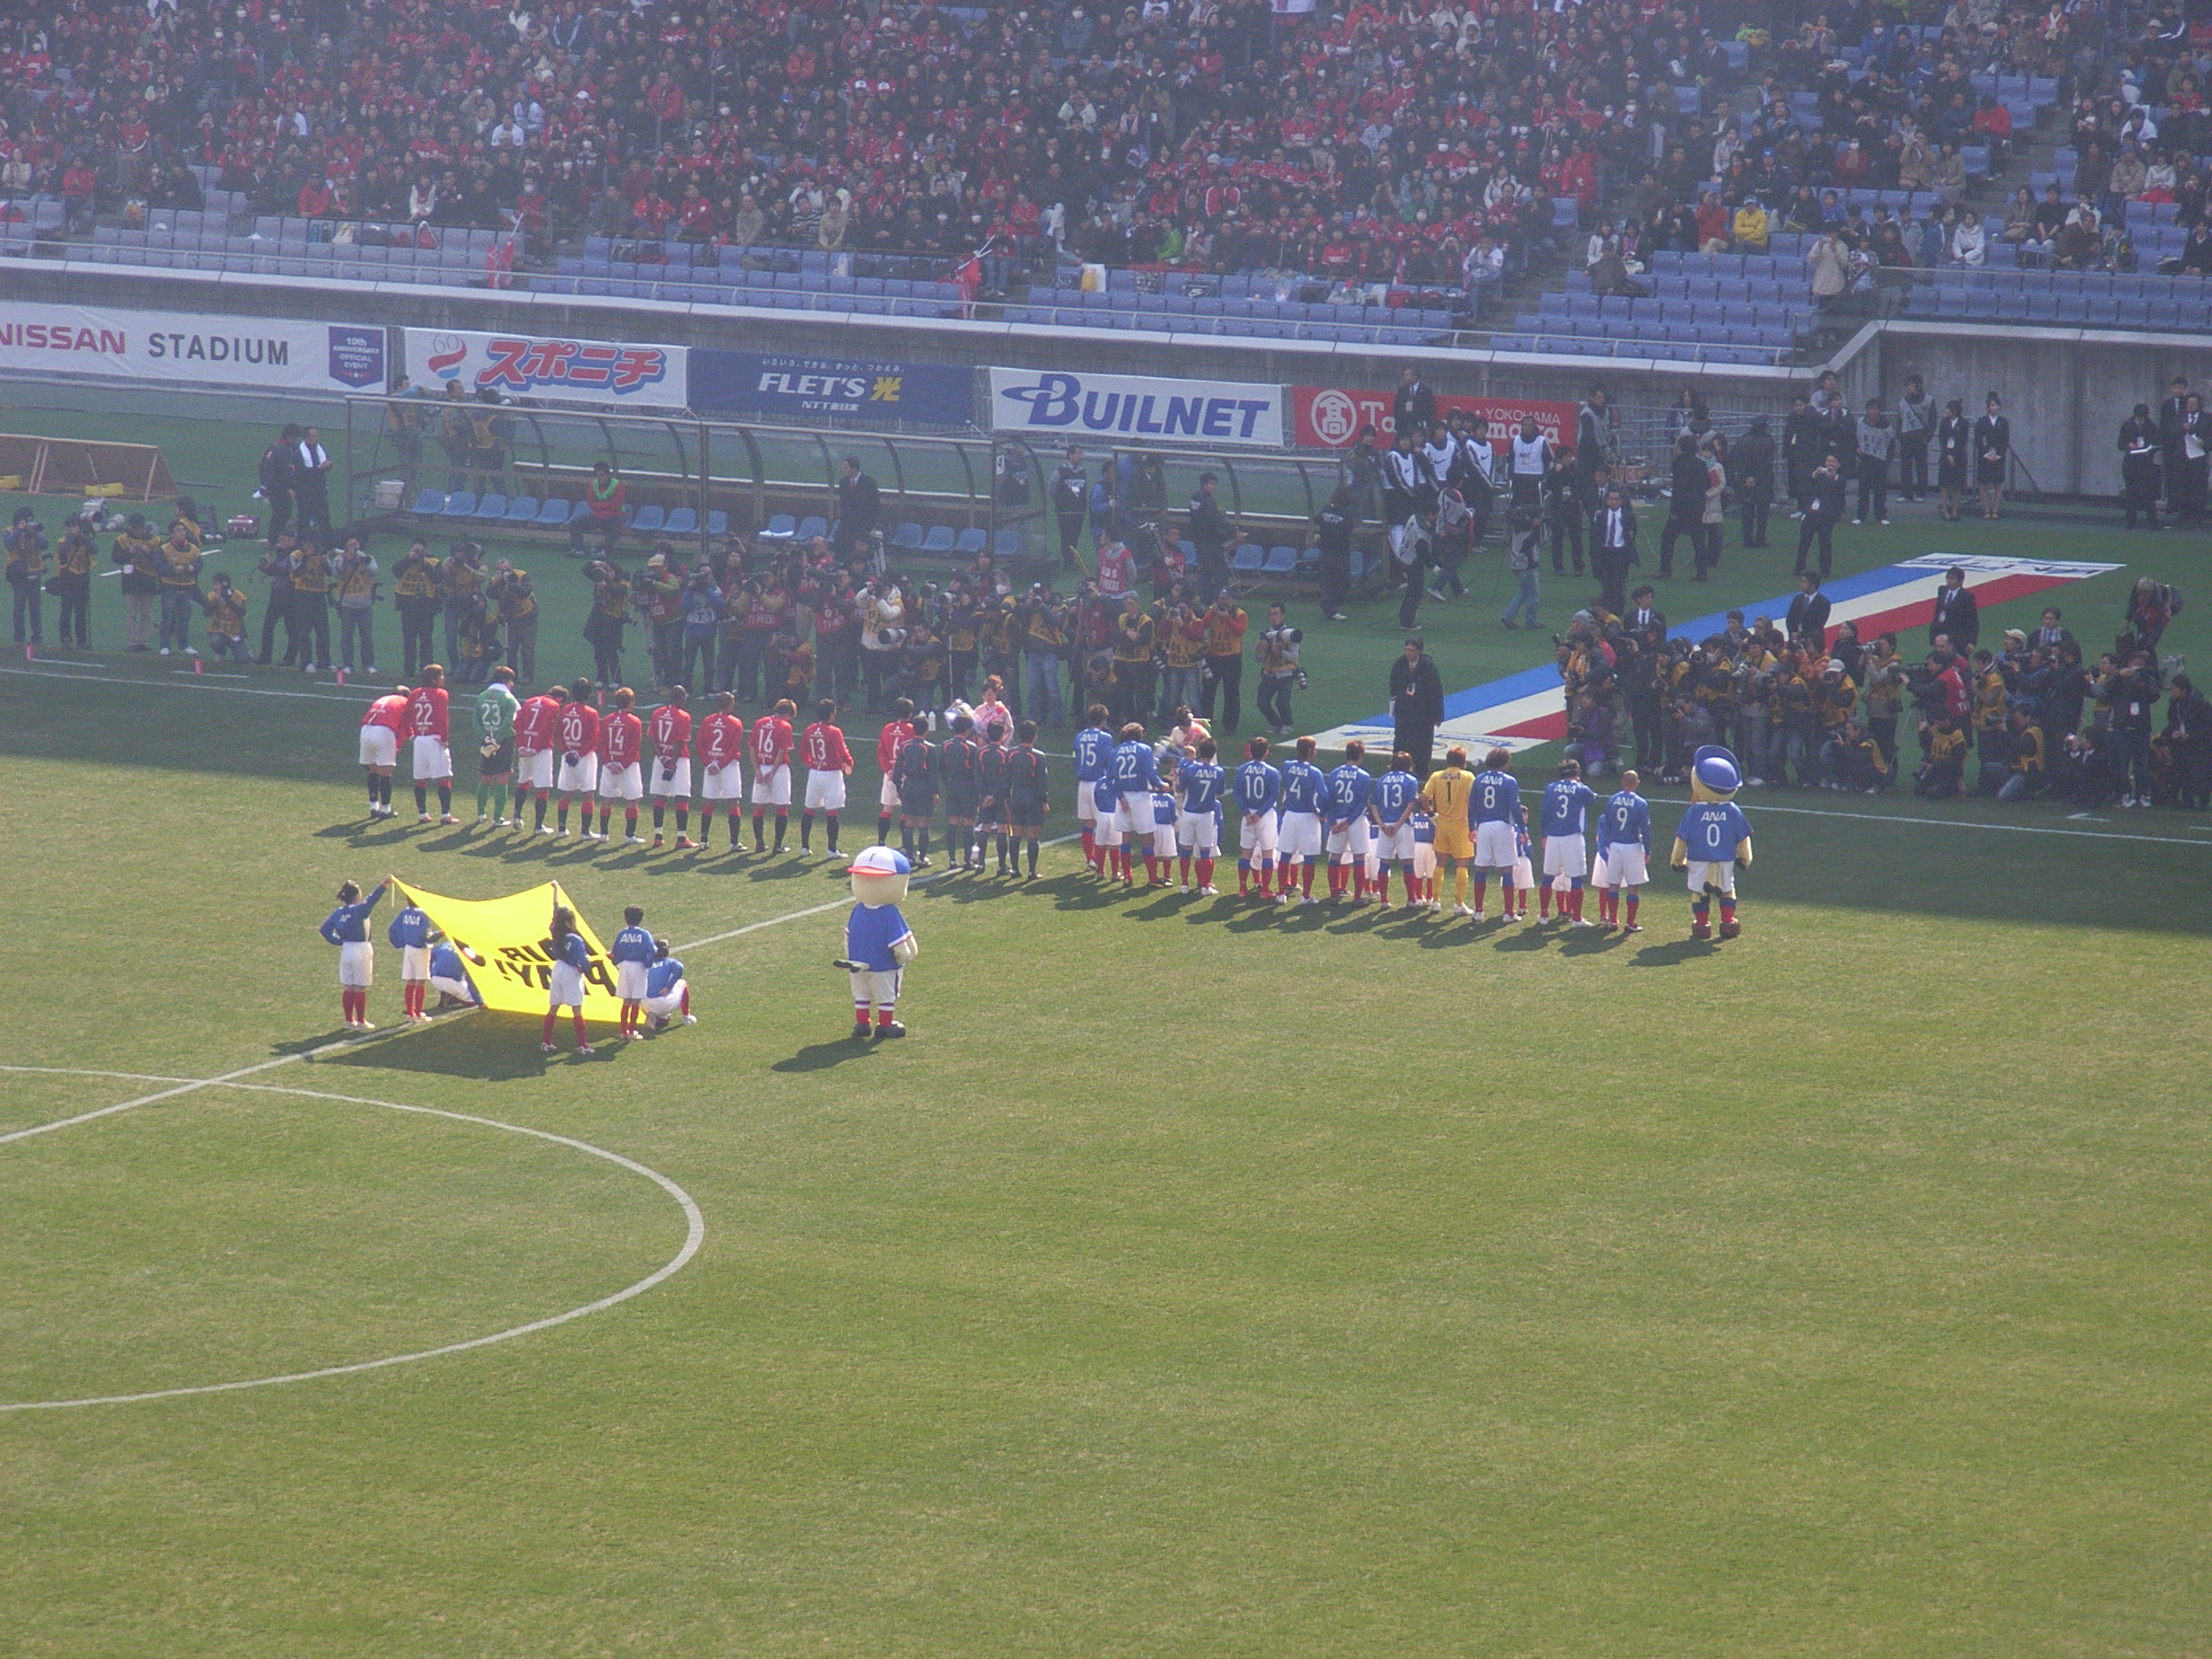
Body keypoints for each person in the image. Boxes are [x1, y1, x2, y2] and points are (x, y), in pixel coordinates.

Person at [1670, 746, 1752, 940]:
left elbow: (1682, 838)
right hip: (1725, 857)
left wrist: (1676, 859)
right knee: (1727, 890)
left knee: (1699, 893)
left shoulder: (1694, 811)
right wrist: (1746, 858)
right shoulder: (1732, 810)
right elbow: (1743, 838)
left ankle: (1701, 925)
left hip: (1698, 858)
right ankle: (1727, 921)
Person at [844, 845, 918, 1040]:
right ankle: (885, 1025)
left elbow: (848, 936)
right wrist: (904, 957)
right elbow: (901, 944)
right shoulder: (889, 913)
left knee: (861, 994)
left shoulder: (858, 909)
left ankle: (862, 1024)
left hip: (856, 963)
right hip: (882, 965)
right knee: (886, 996)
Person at [320, 877, 389, 1030]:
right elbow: (371, 901)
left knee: (349, 986)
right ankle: (361, 1021)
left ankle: (349, 1020)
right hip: (361, 949)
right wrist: (383, 886)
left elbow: (325, 930)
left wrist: (338, 941)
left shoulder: (339, 912)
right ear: (356, 896)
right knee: (360, 987)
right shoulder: (358, 910)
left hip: (347, 950)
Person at [1419, 745, 1478, 916]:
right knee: (1462, 864)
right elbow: (1473, 798)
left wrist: (1431, 812)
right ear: (1463, 761)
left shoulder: (1437, 776)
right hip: (1461, 824)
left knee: (1440, 862)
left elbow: (1424, 797)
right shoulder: (1468, 776)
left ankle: (1436, 901)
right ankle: (1458, 904)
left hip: (1443, 823)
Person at [1537, 757, 1598, 925]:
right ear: (1577, 772)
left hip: (1553, 837)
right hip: (1572, 837)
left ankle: (1543, 915)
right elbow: (1593, 799)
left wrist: (1544, 835)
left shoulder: (1551, 788)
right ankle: (1577, 918)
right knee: (1576, 878)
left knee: (1548, 876)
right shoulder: (1581, 789)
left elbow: (1544, 813)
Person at [1464, 747, 1522, 921]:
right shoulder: (1509, 781)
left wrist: (1471, 828)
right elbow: (1514, 806)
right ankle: (1509, 912)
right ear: (1504, 763)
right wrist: (1523, 828)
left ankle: (1479, 911)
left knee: (1481, 868)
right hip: (1502, 826)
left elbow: (1472, 806)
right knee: (1506, 869)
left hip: (1483, 827)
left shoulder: (1479, 779)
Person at [1594, 770, 1651, 930]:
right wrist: (1648, 850)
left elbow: (1607, 822)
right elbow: (1645, 829)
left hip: (1615, 846)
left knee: (1613, 884)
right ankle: (1630, 923)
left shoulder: (1612, 800)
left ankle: (1613, 920)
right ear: (1637, 783)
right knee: (1633, 886)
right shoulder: (1640, 803)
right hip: (1632, 845)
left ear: (1622, 782)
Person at [1274, 734, 1328, 904]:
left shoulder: (1287, 766)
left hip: (1290, 814)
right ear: (1311, 751)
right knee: (1309, 857)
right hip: (1307, 817)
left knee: (1285, 855)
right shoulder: (1314, 772)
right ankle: (1306, 896)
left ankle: (1281, 893)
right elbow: (1324, 796)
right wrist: (1322, 813)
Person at [1322, 739, 1375, 903]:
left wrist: (1332, 822)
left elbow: (1329, 799)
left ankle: (1333, 895)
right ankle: (1358, 897)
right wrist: (1350, 821)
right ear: (1360, 755)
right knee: (1359, 858)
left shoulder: (1335, 773)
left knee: (1335, 857)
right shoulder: (1364, 776)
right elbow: (1361, 803)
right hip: (1356, 821)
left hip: (1337, 819)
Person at [591, 686, 646, 843]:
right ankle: (629, 835)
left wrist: (609, 762)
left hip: (610, 765)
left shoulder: (607, 719)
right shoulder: (634, 721)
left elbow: (601, 743)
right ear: (630, 703)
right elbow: (634, 746)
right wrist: (623, 764)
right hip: (628, 767)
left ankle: (604, 834)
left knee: (607, 799)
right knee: (633, 800)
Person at [1173, 737, 1227, 895]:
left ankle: (1184, 885)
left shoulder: (1190, 769)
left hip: (1189, 812)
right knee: (1205, 852)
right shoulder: (1218, 771)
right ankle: (1205, 885)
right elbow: (1220, 793)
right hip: (1206, 814)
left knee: (1186, 850)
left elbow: (1181, 788)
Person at [540, 904, 595, 1057]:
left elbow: (555, 913)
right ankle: (583, 1045)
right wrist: (584, 968)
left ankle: (546, 1042)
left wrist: (556, 891)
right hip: (571, 973)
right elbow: (584, 961)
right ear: (568, 923)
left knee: (553, 1007)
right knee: (577, 1010)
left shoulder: (555, 933)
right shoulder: (575, 939)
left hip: (558, 970)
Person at [551, 676, 602, 836]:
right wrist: (579, 753)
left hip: (568, 757)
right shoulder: (592, 713)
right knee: (588, 794)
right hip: (584, 757)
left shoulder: (565, 709)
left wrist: (567, 752)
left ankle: (561, 829)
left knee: (567, 792)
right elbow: (593, 738)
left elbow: (558, 734)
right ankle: (585, 831)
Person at [1232, 735, 1282, 898]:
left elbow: (1237, 793)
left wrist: (1247, 813)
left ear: (1251, 752)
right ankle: (1265, 890)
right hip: (1265, 815)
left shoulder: (1242, 769)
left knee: (1245, 853)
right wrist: (1259, 814)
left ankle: (1242, 889)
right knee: (1268, 853)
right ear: (1266, 752)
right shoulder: (1272, 772)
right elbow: (1273, 796)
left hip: (1248, 815)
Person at [1368, 753, 1420, 909]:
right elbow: (1411, 804)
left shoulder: (1382, 780)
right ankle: (1411, 899)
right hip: (1403, 826)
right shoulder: (1411, 780)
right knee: (1408, 864)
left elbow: (1373, 805)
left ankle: (1384, 900)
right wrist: (1398, 824)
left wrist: (1381, 824)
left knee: (1384, 864)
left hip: (1385, 826)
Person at [698, 690, 748, 851]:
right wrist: (720, 765)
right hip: (728, 767)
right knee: (733, 801)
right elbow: (734, 748)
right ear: (730, 704)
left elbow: (700, 744)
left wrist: (709, 763)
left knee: (710, 801)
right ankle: (734, 842)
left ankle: (704, 840)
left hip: (711, 765)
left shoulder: (707, 721)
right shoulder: (736, 723)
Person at [646, 686, 695, 848]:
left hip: (660, 760)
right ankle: (681, 839)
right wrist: (672, 763)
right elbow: (680, 742)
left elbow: (651, 737)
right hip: (678, 760)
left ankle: (658, 837)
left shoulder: (657, 713)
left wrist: (662, 758)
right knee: (681, 797)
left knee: (660, 797)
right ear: (681, 699)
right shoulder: (683, 716)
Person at [407, 665, 456, 824]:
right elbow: (443, 717)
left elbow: (406, 716)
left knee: (421, 778)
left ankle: (423, 815)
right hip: (435, 739)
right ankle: (445, 815)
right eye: (441, 676)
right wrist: (445, 738)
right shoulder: (441, 694)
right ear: (434, 679)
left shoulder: (414, 693)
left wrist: (411, 735)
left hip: (420, 739)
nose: (443, 679)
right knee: (444, 777)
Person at [1390, 637, 1445, 777]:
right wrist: (1395, 706)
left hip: (1423, 714)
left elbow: (1436, 691)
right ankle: (1398, 769)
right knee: (1401, 742)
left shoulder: (1428, 667)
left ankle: (1421, 773)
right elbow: (1394, 686)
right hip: (1404, 712)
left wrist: (1438, 715)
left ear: (1420, 651)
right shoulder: (1400, 664)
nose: (1409, 653)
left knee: (1422, 745)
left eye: (1412, 650)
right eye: (1407, 650)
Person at [473, 665, 520, 826]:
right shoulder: (509, 699)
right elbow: (509, 721)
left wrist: (487, 738)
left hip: (486, 740)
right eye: (511, 681)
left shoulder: (482, 696)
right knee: (502, 777)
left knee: (485, 777)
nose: (512, 684)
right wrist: (498, 739)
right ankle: (497, 818)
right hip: (504, 741)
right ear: (506, 680)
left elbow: (475, 721)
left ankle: (480, 814)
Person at [515, 682, 562, 834]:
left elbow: (518, 722)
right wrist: (536, 748)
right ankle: (538, 826)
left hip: (525, 746)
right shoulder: (553, 706)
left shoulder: (530, 701)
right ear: (560, 698)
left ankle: (517, 816)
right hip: (540, 750)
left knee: (523, 781)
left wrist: (522, 745)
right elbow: (547, 729)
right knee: (542, 787)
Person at [749, 697, 796, 853]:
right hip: (778, 769)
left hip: (761, 766)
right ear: (787, 713)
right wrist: (773, 772)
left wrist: (757, 770)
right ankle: (778, 845)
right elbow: (782, 751)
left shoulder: (759, 722)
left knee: (759, 807)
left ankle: (759, 843)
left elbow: (752, 748)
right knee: (781, 807)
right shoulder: (785, 726)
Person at [892, 715, 939, 867]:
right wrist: (935, 792)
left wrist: (899, 788)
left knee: (909, 823)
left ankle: (910, 857)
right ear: (927, 730)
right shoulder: (930, 748)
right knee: (924, 824)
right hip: (924, 787)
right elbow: (933, 773)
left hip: (909, 786)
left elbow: (897, 771)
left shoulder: (905, 746)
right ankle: (922, 857)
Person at [357, 684, 411, 819]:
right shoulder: (405, 703)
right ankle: (386, 809)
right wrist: (397, 747)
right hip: (384, 731)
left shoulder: (382, 699)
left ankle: (373, 806)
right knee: (386, 772)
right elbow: (405, 727)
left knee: (373, 769)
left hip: (366, 729)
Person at [387, 892, 439, 1024]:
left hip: (409, 949)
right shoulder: (423, 914)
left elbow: (392, 929)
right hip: (421, 950)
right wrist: (441, 933)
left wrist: (399, 943)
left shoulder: (405, 913)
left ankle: (410, 1013)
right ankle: (418, 1013)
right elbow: (426, 936)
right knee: (421, 982)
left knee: (410, 981)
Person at [1659, 434, 1706, 578]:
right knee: (1698, 541)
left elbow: (1678, 489)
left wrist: (1674, 510)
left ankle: (1665, 570)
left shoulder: (1679, 464)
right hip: (1697, 507)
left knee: (1668, 538)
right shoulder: (1701, 464)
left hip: (1681, 508)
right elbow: (1707, 484)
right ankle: (1702, 572)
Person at [332, 537, 379, 675]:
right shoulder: (340, 558)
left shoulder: (368, 557)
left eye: (356, 544)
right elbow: (336, 573)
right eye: (350, 544)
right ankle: (348, 664)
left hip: (364, 603)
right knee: (347, 636)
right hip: (347, 603)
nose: (354, 546)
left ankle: (368, 664)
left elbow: (374, 572)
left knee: (366, 636)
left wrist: (363, 561)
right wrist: (347, 560)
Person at [1590, 487, 1639, 616]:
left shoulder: (1628, 516)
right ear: (1607, 501)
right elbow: (1595, 535)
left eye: (1616, 499)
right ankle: (1607, 608)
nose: (1613, 502)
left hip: (1621, 552)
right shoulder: (1601, 516)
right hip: (1605, 552)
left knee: (1619, 582)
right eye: (1611, 499)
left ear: (1621, 501)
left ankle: (1618, 611)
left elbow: (1633, 532)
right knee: (1607, 582)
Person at [1795, 453, 1846, 577]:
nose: (1830, 464)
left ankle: (1825, 571)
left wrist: (1833, 477)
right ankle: (1799, 567)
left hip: (1827, 516)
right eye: (1828, 461)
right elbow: (1807, 487)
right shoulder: (1818, 476)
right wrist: (1815, 475)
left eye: (1833, 462)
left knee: (1825, 543)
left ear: (1838, 465)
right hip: (1812, 513)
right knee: (1804, 542)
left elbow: (1840, 494)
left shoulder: (1840, 479)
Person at [609, 905, 655, 1040]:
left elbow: (615, 952)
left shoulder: (622, 934)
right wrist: (648, 964)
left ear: (625, 919)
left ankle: (623, 1031)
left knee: (626, 1001)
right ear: (641, 919)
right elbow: (651, 951)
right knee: (635, 1001)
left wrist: (615, 961)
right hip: (639, 967)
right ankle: (632, 1031)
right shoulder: (644, 934)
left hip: (625, 967)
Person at [1255, 605, 1302, 735]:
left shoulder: (1290, 635)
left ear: (1283, 616)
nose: (1273, 617)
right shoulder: (1266, 635)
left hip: (1285, 673)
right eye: (1271, 614)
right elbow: (1260, 659)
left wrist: (1280, 652)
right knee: (1262, 702)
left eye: (1276, 614)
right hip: (1269, 673)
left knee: (1282, 703)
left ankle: (1287, 724)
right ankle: (1275, 723)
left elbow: (1294, 657)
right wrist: (1261, 649)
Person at [4, 510, 48, 646]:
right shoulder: (10, 531)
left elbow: (44, 545)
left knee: (35, 608)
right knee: (19, 607)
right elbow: (10, 546)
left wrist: (33, 533)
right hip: (19, 575)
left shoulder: (34, 532)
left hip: (34, 572)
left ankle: (37, 636)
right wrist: (19, 530)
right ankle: (19, 638)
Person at [49, 518, 94, 650]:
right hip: (68, 577)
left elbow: (95, 549)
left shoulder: (84, 542)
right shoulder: (63, 541)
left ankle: (82, 639)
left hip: (83, 578)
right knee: (66, 610)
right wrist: (72, 536)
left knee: (81, 611)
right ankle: (66, 637)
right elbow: (63, 550)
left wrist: (85, 538)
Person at [1313, 485, 1355, 623]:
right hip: (1340, 554)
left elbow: (1316, 520)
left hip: (1325, 552)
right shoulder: (1346, 515)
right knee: (1343, 583)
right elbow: (1351, 528)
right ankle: (1330, 607)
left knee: (1328, 582)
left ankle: (1329, 606)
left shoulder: (1326, 510)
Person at [2120, 405, 2164, 530]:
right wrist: (2129, 445)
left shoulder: (2151, 426)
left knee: (2149, 493)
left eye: (2142, 418)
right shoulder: (2127, 425)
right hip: (2131, 462)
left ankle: (2153, 522)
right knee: (2131, 493)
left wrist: (2149, 450)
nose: (2140, 420)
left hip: (2146, 463)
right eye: (2138, 417)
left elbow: (2158, 443)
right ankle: (2130, 522)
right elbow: (2120, 444)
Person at [1734, 417, 1775, 548]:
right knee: (1763, 512)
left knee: (1747, 510)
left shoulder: (1742, 440)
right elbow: (1768, 463)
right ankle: (1760, 539)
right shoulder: (1769, 441)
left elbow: (1738, 461)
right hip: (1764, 480)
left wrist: (1747, 477)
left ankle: (1747, 539)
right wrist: (1756, 478)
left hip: (1746, 480)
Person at [1853, 398, 1895, 526]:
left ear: (1879, 410)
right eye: (1870, 409)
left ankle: (1881, 516)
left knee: (1880, 490)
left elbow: (1891, 443)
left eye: (1875, 409)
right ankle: (1861, 516)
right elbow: (1854, 439)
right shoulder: (1860, 423)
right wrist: (1857, 450)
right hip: (1865, 459)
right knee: (1863, 490)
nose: (1872, 411)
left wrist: (1888, 461)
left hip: (1880, 460)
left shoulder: (1886, 425)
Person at [1501, 504, 1542, 630]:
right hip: (1527, 566)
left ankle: (1508, 615)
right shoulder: (1528, 533)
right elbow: (1531, 553)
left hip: (1518, 566)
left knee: (1524, 592)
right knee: (1533, 594)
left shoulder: (1518, 531)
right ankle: (1530, 621)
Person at [573, 462, 627, 556]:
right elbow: (591, 503)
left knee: (617, 528)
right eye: (598, 476)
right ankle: (578, 549)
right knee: (575, 523)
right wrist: (605, 506)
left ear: (608, 474)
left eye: (603, 475)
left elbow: (616, 506)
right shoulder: (594, 485)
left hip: (615, 516)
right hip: (598, 515)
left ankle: (605, 551)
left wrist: (600, 506)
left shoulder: (617, 486)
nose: (600, 478)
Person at [258, 425, 298, 546]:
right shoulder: (283, 451)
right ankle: (274, 539)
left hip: (272, 487)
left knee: (279, 513)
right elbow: (285, 473)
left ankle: (273, 538)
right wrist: (291, 487)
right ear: (290, 437)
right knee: (283, 513)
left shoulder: (274, 447)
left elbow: (263, 467)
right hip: (279, 488)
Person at [1050, 445, 1089, 569]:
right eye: (1078, 454)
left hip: (1079, 511)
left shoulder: (1083, 472)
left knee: (1075, 536)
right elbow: (1052, 489)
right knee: (1066, 536)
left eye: (1081, 454)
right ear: (1070, 455)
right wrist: (1061, 502)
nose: (1081, 457)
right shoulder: (1060, 472)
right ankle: (1067, 560)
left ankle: (1072, 559)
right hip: (1065, 511)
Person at [834, 456, 881, 559]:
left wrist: (868, 526)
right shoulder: (843, 482)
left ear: (853, 469)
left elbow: (875, 507)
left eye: (845, 468)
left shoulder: (869, 483)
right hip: (846, 525)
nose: (843, 471)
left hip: (862, 525)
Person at [198, 573, 251, 663]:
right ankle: (220, 653)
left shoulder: (237, 595)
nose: (215, 587)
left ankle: (242, 651)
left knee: (243, 659)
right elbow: (206, 613)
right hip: (219, 631)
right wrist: (216, 601)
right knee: (215, 640)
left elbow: (242, 612)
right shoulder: (213, 596)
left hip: (235, 632)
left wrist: (229, 600)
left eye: (217, 584)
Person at [1895, 375, 1933, 503]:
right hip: (1906, 436)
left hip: (1920, 436)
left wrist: (1928, 436)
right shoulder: (1904, 401)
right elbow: (1899, 418)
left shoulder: (1929, 400)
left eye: (1911, 384)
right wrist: (1899, 434)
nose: (1909, 387)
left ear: (1919, 385)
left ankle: (1921, 492)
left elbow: (1933, 419)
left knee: (1921, 466)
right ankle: (1906, 493)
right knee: (1906, 466)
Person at [643, 937, 694, 1030]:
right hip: (664, 1003)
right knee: (683, 982)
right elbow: (680, 968)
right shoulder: (670, 963)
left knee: (665, 1018)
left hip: (645, 1004)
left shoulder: (645, 963)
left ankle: (656, 1016)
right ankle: (686, 1017)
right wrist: (668, 987)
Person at [1934, 397, 1972, 523]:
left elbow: (1962, 441)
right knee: (1944, 485)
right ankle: (1945, 511)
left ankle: (1955, 511)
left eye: (1948, 409)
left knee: (1957, 485)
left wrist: (1954, 455)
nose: (1946, 412)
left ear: (1954, 410)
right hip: (1946, 456)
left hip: (1959, 456)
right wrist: (1948, 455)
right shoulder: (1944, 422)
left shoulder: (1964, 423)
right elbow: (1942, 439)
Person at [1974, 394, 2010, 520]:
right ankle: (1986, 510)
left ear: (1999, 407)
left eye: (1996, 405)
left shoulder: (2003, 422)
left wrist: (1998, 455)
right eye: (1991, 405)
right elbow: (1978, 440)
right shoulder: (1982, 421)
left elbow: (2005, 441)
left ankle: (1995, 510)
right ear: (1988, 407)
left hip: (1998, 457)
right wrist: (1986, 453)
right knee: (1983, 483)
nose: (1994, 408)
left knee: (1998, 484)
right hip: (1985, 457)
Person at [293, 427, 334, 539]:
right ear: (306, 438)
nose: (317, 439)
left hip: (319, 490)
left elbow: (328, 461)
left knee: (324, 517)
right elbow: (301, 472)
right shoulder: (298, 452)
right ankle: (301, 541)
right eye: (314, 436)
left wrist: (328, 465)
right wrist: (320, 468)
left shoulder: (320, 448)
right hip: (305, 491)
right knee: (304, 518)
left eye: (317, 436)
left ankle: (328, 540)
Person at [1930, 566, 1979, 653]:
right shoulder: (1942, 590)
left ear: (1960, 581)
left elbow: (1973, 620)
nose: (1949, 581)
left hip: (1958, 637)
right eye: (1948, 578)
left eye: (1953, 579)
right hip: (1941, 632)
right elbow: (1938, 612)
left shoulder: (1967, 596)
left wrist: (1972, 642)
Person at [427, 939, 483, 1011]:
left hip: (435, 979)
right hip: (453, 981)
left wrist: (431, 973)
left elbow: (429, 957)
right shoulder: (468, 952)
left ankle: (449, 993)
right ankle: (452, 996)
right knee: (473, 1002)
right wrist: (480, 1002)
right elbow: (471, 980)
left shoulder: (445, 945)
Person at [1785, 571, 1832, 646]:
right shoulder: (1798, 599)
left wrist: (1800, 635)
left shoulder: (1823, 603)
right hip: (1794, 639)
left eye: (1804, 582)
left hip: (1812, 642)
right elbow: (1790, 618)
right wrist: (1792, 632)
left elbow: (1818, 625)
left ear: (1813, 585)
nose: (1801, 585)